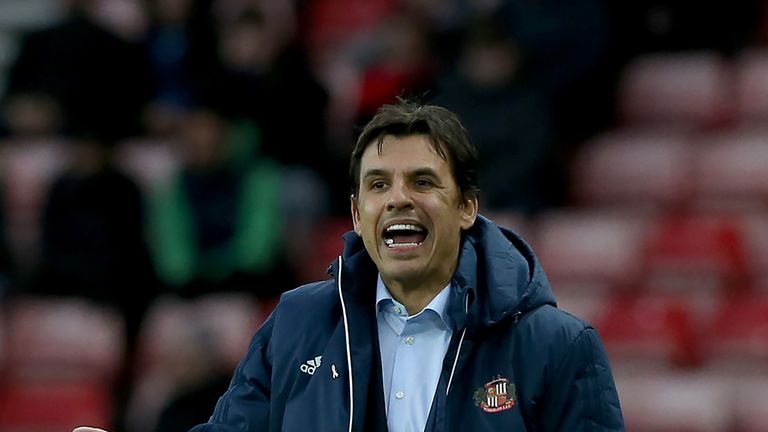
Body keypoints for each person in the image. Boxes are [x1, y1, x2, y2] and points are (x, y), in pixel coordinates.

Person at [75, 99, 624, 432]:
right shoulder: (295, 325)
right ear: (358, 215)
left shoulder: (557, 346)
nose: (399, 199)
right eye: (379, 185)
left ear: (466, 207)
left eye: (423, 182)